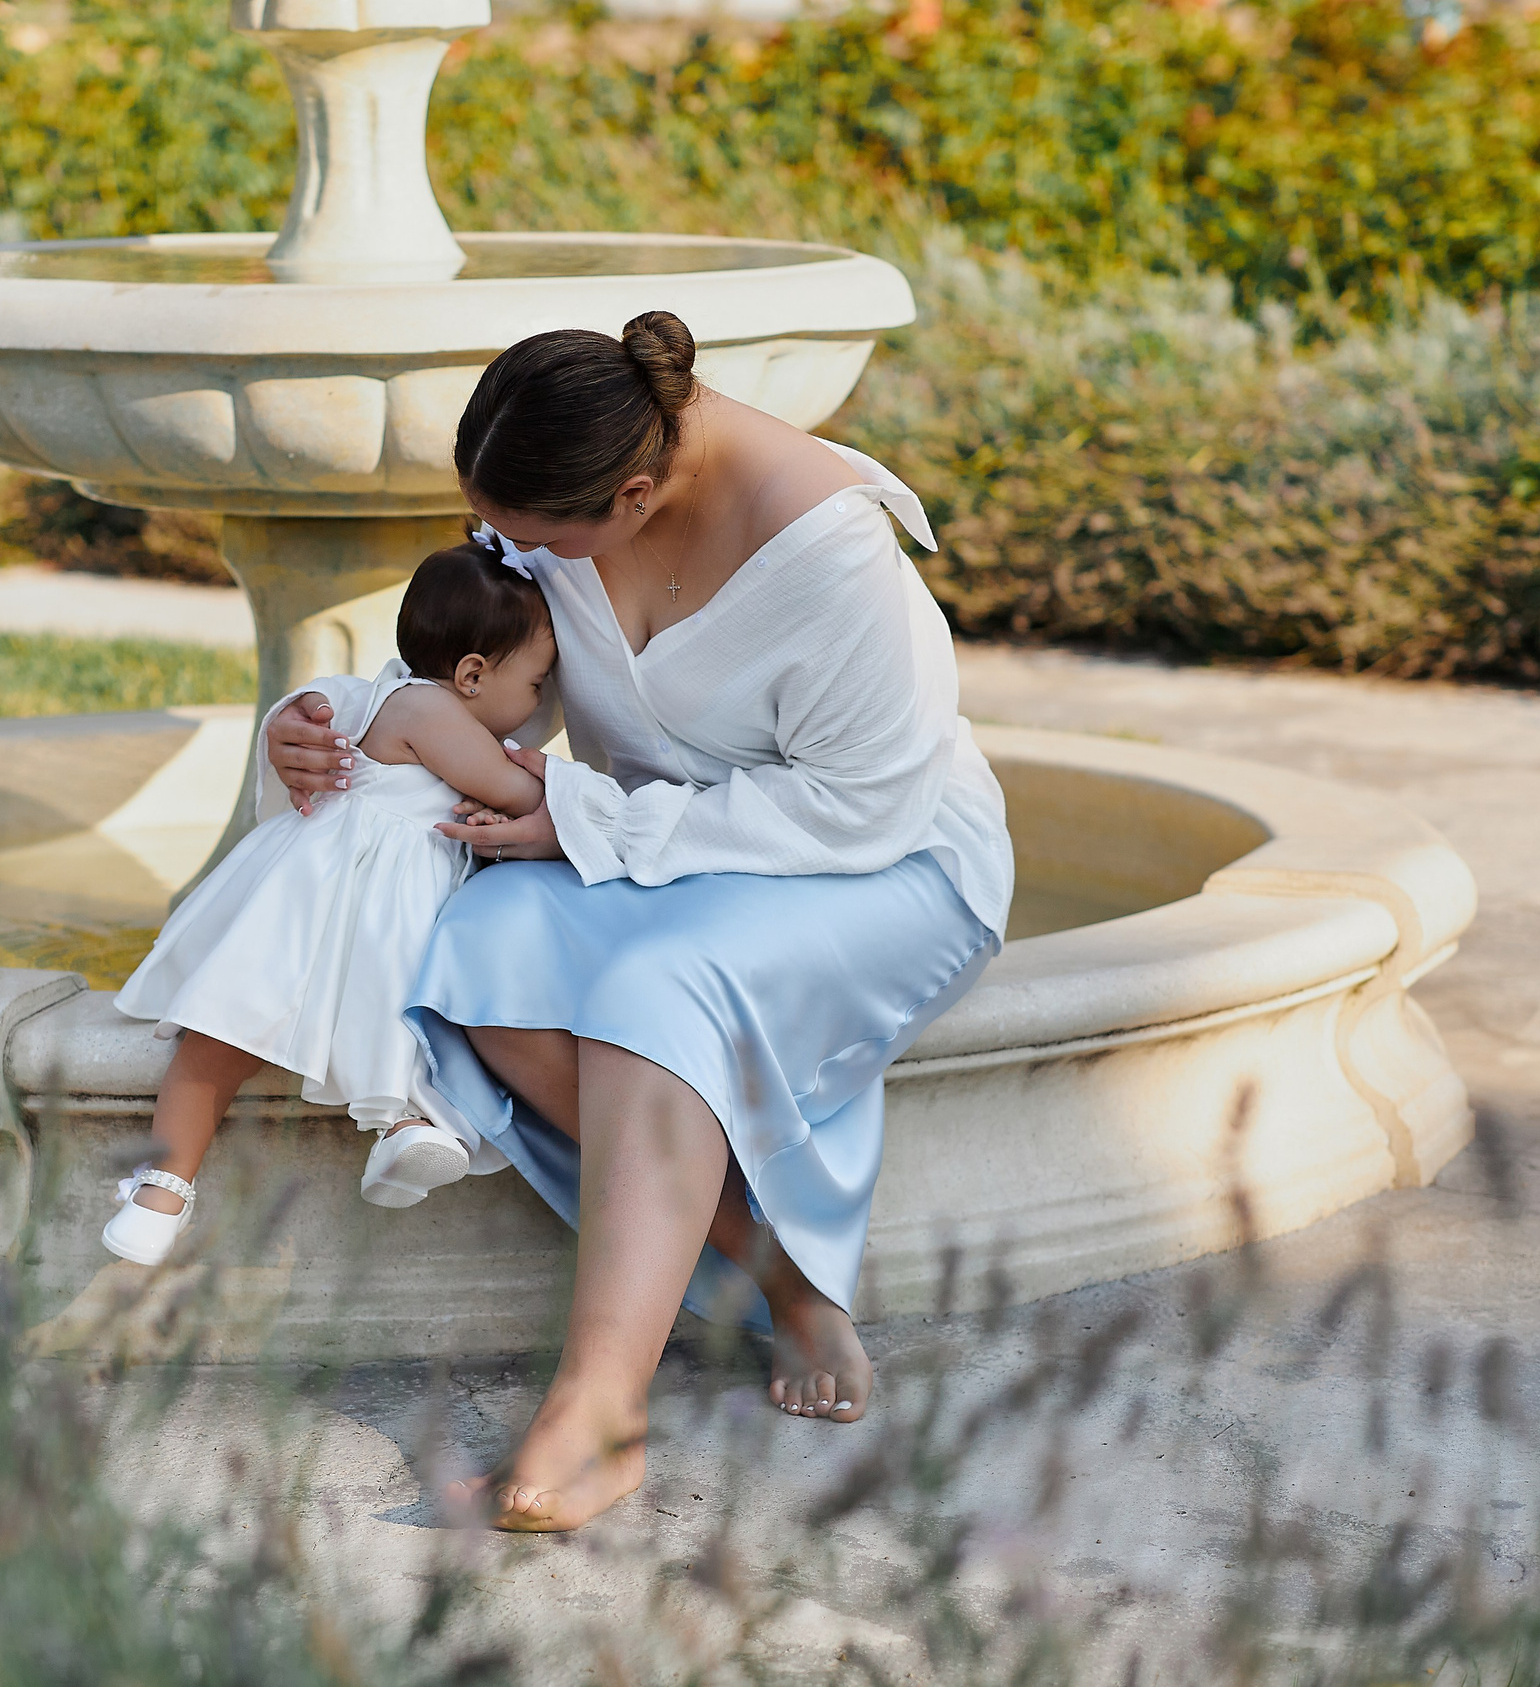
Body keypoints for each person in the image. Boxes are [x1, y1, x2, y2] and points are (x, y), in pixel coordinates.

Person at [261, 311, 1015, 1531]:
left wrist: (587, 826)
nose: (508, 554)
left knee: (650, 992)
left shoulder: (834, 560)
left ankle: (598, 1413)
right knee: (472, 955)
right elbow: (492, 682)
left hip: (884, 865)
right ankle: (776, 1270)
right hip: (654, 848)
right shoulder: (558, 511)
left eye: (538, 538)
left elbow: (858, 809)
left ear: (638, 490)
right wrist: (330, 724)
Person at [102, 539, 559, 1265]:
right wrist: (551, 784)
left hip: (330, 894)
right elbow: (521, 795)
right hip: (358, 899)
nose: (542, 703)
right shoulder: (430, 711)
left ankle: (174, 1183)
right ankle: (385, 1128)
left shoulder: (398, 697)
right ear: (472, 673)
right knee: (350, 1016)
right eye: (538, 683)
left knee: (241, 1032)